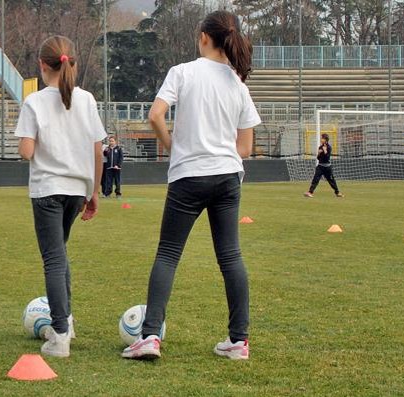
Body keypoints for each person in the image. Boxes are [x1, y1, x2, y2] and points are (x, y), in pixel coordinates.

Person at [123, 10, 260, 361]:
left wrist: (173, 146)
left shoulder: (183, 72)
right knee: (231, 256)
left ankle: (150, 336)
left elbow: (155, 114)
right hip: (228, 176)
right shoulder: (237, 84)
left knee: (168, 253)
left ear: (203, 38)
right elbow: (245, 148)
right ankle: (238, 341)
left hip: (188, 175)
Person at [15, 35, 106, 358]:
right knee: (61, 254)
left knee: (53, 259)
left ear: (42, 65)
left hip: (47, 190)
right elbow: (98, 151)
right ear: (73, 64)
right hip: (76, 191)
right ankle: (66, 319)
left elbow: (26, 151)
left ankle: (60, 336)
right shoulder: (87, 100)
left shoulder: (34, 102)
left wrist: (35, 141)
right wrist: (93, 192)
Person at [304, 134, 343, 198]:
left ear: (325, 139)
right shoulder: (320, 147)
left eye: (322, 138)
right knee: (315, 179)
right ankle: (310, 192)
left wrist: (325, 151)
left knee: (331, 180)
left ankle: (337, 192)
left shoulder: (329, 147)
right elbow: (318, 158)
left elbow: (327, 158)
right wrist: (319, 153)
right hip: (320, 167)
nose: (321, 140)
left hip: (327, 167)